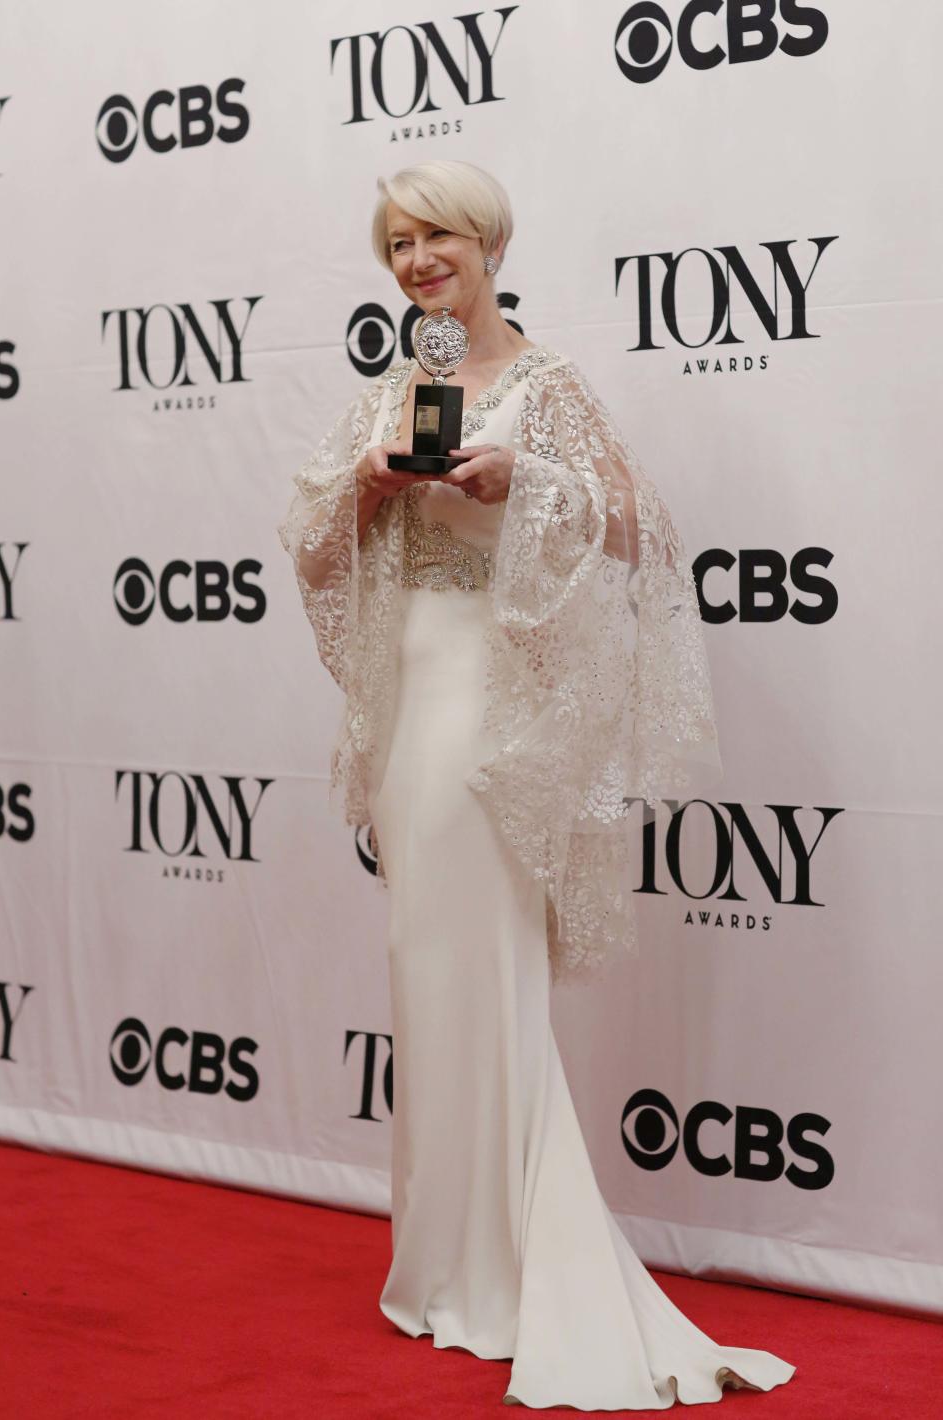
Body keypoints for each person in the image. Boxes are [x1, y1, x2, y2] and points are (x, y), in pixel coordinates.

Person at [279, 159, 796, 1410]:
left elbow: (637, 528)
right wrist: (366, 482)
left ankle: (510, 1271)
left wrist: (529, 487)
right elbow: (307, 543)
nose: (415, 262)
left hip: (493, 715)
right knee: (424, 967)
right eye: (397, 242)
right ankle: (440, 1263)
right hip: (412, 711)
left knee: (489, 973)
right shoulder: (391, 390)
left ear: (489, 243)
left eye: (436, 236)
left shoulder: (545, 384)